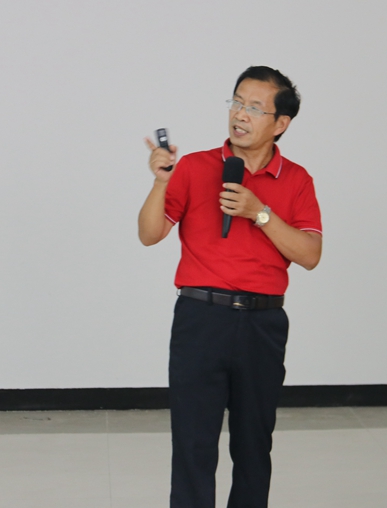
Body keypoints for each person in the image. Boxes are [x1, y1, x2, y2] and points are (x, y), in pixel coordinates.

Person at [138, 66, 322, 508]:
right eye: (237, 102)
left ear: (280, 123)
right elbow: (149, 234)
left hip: (263, 323)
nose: (240, 114)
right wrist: (161, 183)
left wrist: (259, 212)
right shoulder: (195, 166)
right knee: (193, 444)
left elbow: (310, 254)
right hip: (201, 319)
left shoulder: (297, 179)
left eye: (255, 108)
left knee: (254, 445)